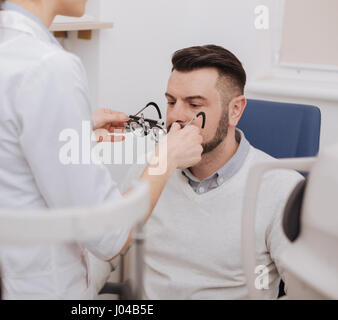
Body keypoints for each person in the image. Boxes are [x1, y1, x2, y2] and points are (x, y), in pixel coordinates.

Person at [0, 0, 203, 299]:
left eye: (194, 105)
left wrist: (72, 131)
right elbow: (111, 236)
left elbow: (3, 152)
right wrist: (165, 158)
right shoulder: (47, 66)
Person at [122, 45, 304, 299]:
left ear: (235, 110)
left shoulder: (281, 189)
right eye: (171, 102)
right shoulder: (150, 171)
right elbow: (102, 251)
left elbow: (309, 293)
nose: (176, 116)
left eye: (194, 104)